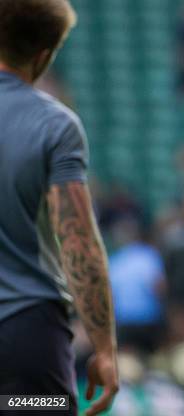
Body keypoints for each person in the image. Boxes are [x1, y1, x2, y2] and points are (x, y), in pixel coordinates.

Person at [0, 1, 118, 415]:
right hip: (26, 335)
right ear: (44, 55)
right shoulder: (55, 125)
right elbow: (78, 243)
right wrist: (103, 348)